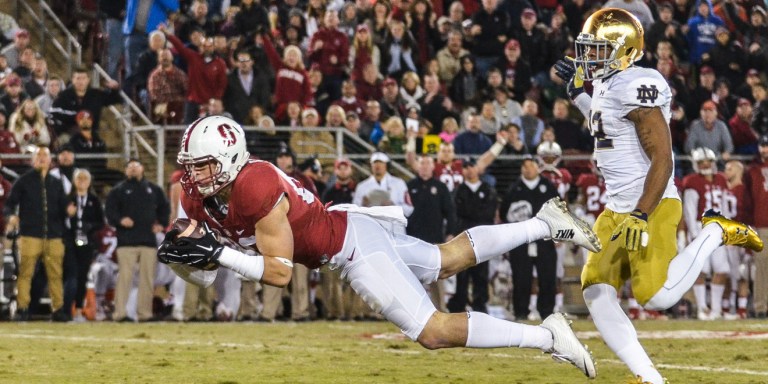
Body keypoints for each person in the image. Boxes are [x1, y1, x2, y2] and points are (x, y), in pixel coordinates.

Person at [157, 115, 600, 378]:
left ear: (231, 159)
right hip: (349, 227)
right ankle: (544, 223)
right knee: (444, 259)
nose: (195, 175)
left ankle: (548, 336)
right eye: (190, 166)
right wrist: (188, 258)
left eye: (204, 165)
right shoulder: (193, 194)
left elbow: (279, 273)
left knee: (433, 331)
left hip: (351, 247)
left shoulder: (255, 184)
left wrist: (216, 252)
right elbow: (204, 271)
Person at [553, 8, 762, 383]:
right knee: (596, 290)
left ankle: (716, 231)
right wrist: (576, 95)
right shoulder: (606, 83)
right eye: (589, 48)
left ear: (624, 50)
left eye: (598, 49)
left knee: (659, 297)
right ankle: (649, 378)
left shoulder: (638, 83)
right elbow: (605, 125)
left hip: (651, 202)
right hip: (617, 207)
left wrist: (642, 213)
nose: (589, 57)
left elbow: (663, 158)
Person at [4, 146, 73, 321]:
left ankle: (58, 309)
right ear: (32, 160)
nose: (42, 158)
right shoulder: (24, 181)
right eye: (39, 155)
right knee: (25, 273)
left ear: (51, 161)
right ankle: (22, 308)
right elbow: (10, 203)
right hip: (30, 234)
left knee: (55, 274)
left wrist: (69, 210)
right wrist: (11, 216)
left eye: (45, 155)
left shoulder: (56, 183)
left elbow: (64, 208)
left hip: (54, 235)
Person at [105, 159, 170, 322]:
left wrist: (161, 224)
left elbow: (165, 208)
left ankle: (145, 314)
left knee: (147, 279)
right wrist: (120, 220)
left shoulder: (154, 189)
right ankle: (120, 313)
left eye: (136, 166)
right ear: (126, 171)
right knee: (124, 278)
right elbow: (110, 212)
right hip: (126, 241)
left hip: (148, 241)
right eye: (129, 167)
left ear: (142, 169)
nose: (133, 169)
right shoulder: (118, 190)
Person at [682, 147, 730, 320]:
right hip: (700, 228)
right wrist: (694, 235)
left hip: (718, 229)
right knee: (701, 271)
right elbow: (689, 210)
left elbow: (724, 207)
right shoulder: (692, 181)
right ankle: (703, 308)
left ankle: (716, 310)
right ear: (696, 165)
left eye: (707, 162)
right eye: (701, 163)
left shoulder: (721, 179)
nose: (705, 165)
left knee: (722, 269)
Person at [64, 168, 104, 322]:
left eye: (84, 179)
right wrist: (68, 215)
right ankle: (67, 309)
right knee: (71, 275)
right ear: (74, 181)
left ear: (89, 182)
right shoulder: (68, 198)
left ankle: (79, 309)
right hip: (70, 242)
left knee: (82, 276)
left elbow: (100, 222)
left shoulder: (93, 200)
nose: (81, 181)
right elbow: (59, 218)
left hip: (86, 243)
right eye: (78, 178)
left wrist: (90, 227)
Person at [744, 134, 768, 318]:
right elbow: (748, 201)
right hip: (761, 224)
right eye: (763, 145)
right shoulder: (752, 171)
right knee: (761, 268)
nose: (765, 149)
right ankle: (761, 307)